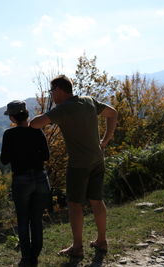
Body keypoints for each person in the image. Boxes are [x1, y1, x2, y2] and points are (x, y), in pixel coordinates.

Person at [30, 75, 118, 258]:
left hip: (79, 164)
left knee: (74, 204)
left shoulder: (63, 109)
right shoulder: (88, 101)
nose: (51, 95)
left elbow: (34, 124)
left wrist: (50, 112)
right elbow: (113, 113)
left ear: (60, 90)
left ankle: (77, 246)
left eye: (51, 91)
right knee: (96, 200)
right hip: (97, 159)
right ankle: (102, 240)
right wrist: (106, 139)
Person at [0, 100, 51, 267]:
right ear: (26, 115)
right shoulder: (37, 131)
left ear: (13, 118)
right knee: (36, 219)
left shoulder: (9, 135)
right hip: (41, 178)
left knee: (23, 219)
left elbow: (4, 160)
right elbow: (46, 156)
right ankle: (35, 256)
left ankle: (26, 258)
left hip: (21, 180)